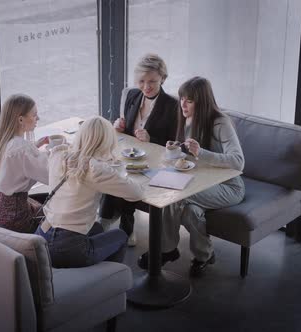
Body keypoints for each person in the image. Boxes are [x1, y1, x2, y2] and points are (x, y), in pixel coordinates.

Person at [138, 76, 246, 277]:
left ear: (202, 101)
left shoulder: (220, 122)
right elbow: (187, 159)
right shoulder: (186, 119)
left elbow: (238, 162)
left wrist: (201, 153)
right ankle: (204, 255)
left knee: (176, 194)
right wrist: (173, 150)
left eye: (189, 100)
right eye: (181, 99)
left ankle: (166, 249)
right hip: (201, 183)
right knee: (191, 211)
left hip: (229, 186)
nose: (183, 104)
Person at [36, 116, 145, 268]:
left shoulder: (58, 155)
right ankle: (106, 279)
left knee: (98, 228)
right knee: (120, 236)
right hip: (65, 248)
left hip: (41, 237)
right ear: (106, 141)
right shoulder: (96, 169)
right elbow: (136, 194)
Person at [99, 53, 178, 246]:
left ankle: (123, 225)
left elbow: (174, 142)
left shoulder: (172, 105)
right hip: (129, 155)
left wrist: (152, 139)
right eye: (142, 81)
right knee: (111, 170)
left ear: (163, 79)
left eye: (152, 81)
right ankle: (107, 220)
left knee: (128, 177)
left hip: (155, 163)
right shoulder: (132, 95)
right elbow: (128, 130)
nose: (146, 86)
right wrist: (119, 126)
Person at [0, 94, 50, 233]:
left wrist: (34, 147)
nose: (38, 118)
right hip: (13, 219)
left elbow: (12, 162)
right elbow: (51, 175)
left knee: (44, 201)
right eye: (35, 115)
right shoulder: (22, 149)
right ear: (21, 119)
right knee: (59, 216)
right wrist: (59, 153)